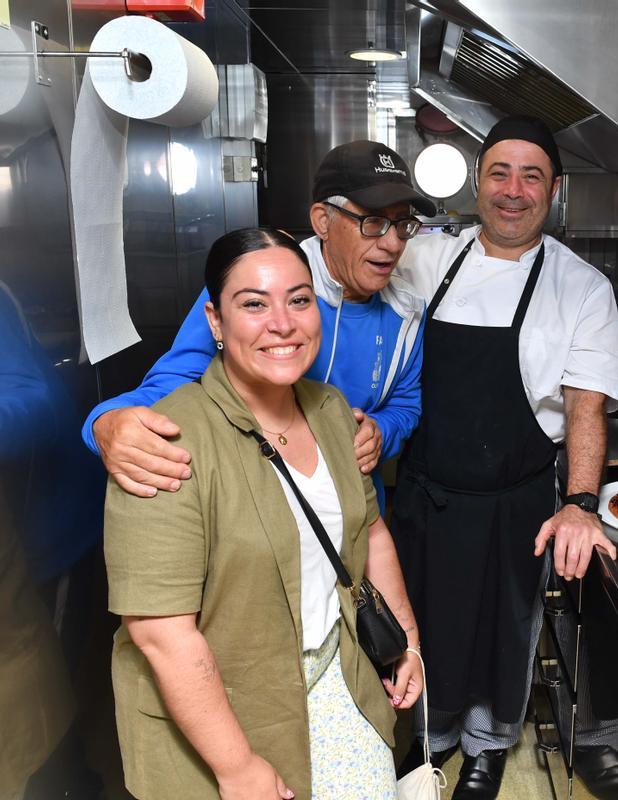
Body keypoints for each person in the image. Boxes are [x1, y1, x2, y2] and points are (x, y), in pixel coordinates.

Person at [105, 228, 422, 799]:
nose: (283, 323)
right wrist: (237, 768)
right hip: (227, 716)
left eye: (299, 300)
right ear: (215, 322)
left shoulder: (331, 413)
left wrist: (409, 641)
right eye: (253, 303)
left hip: (341, 686)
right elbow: (160, 634)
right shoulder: (167, 442)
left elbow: (371, 534)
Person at [389, 116, 618, 799]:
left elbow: (586, 407)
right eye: (500, 172)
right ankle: (427, 744)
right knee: (421, 623)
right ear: (478, 182)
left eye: (532, 176)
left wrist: (582, 504)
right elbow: (354, 299)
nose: (513, 191)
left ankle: (487, 751)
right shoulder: (427, 257)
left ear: (554, 190)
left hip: (515, 498)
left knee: (504, 629)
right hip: (426, 491)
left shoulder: (580, 287)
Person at [82, 140, 435, 510]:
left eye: (403, 224)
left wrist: (382, 431)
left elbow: (405, 402)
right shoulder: (255, 285)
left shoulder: (407, 309)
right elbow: (177, 381)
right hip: (256, 506)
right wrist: (106, 421)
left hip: (354, 508)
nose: (393, 243)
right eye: (374, 222)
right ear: (322, 221)